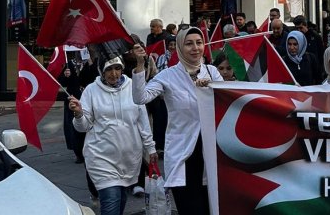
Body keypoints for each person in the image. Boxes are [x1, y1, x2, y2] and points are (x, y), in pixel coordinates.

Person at [132, 27, 221, 215]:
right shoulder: (168, 76)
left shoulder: (212, 73)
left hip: (210, 154)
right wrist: (140, 65)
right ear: (179, 47)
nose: (195, 48)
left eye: (199, 42)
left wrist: (210, 89)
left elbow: (226, 102)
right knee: (190, 208)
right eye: (189, 43)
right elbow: (140, 98)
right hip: (183, 154)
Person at [69, 56, 158, 215]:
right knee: (111, 200)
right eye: (108, 69)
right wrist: (78, 114)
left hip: (129, 158)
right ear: (101, 72)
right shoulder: (91, 90)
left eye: (117, 68)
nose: (114, 73)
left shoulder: (133, 86)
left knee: (121, 199)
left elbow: (143, 121)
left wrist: (151, 148)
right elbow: (83, 127)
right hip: (101, 157)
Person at [58, 64, 85, 163]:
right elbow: (61, 81)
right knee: (73, 127)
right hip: (72, 100)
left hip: (88, 98)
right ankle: (78, 153)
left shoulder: (92, 61)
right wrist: (66, 75)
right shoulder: (70, 63)